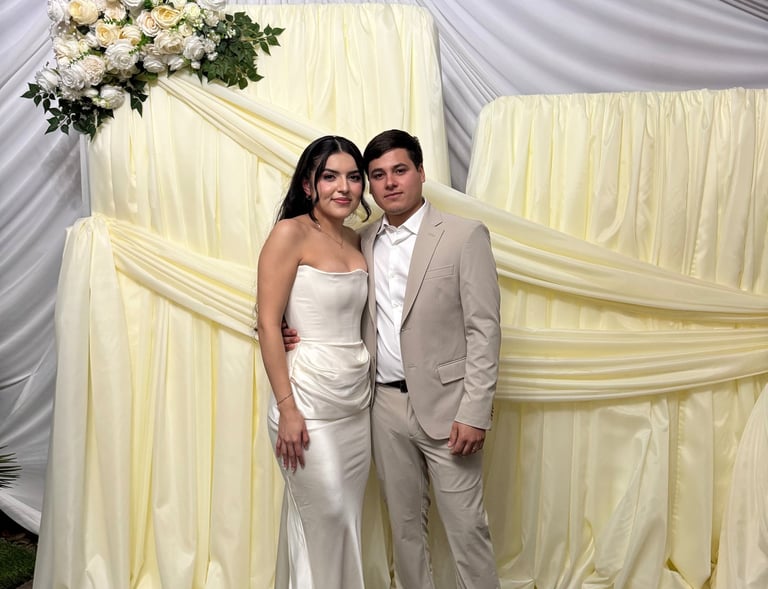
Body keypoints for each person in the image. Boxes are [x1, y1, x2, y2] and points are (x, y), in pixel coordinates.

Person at [285, 129, 502, 588]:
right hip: (382, 407)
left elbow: (484, 330)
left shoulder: (464, 235)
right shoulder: (359, 240)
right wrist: (288, 325)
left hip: (450, 406)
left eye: (400, 170)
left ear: (421, 172)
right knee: (404, 531)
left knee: (467, 529)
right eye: (378, 175)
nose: (390, 183)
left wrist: (475, 411)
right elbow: (319, 293)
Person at [256, 135, 373, 588]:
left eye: (353, 177)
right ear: (309, 185)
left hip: (355, 402)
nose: (343, 187)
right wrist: (287, 409)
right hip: (306, 400)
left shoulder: (358, 240)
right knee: (327, 513)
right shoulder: (290, 233)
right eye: (330, 177)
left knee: (345, 521)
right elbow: (268, 323)